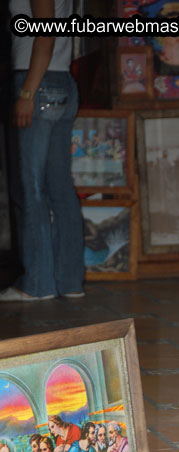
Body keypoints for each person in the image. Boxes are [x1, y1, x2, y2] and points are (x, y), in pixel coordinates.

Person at [2, 0, 84, 302]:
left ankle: (37, 283)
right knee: (59, 187)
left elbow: (45, 34)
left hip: (38, 81)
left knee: (31, 187)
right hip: (59, 81)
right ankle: (69, 281)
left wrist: (27, 91)